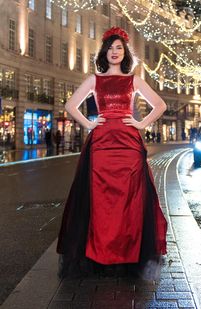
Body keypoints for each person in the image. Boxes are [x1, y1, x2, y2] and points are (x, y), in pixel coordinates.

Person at [57, 27, 167, 279]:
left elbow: (160, 105)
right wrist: (89, 124)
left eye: (119, 48)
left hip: (128, 143)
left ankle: (126, 252)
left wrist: (140, 124)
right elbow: (70, 105)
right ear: (104, 52)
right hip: (102, 143)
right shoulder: (95, 80)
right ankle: (100, 252)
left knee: (130, 198)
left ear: (125, 52)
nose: (114, 52)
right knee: (101, 199)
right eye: (110, 47)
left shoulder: (134, 80)